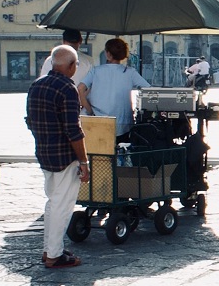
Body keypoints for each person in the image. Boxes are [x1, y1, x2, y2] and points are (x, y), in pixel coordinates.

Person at [26, 46, 88, 268]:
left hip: (44, 151)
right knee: (62, 205)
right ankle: (54, 254)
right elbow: (73, 129)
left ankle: (49, 249)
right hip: (64, 155)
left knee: (52, 202)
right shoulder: (67, 88)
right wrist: (84, 161)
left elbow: (30, 121)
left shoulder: (36, 85)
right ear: (71, 65)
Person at [78, 38, 150, 140]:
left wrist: (89, 110)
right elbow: (148, 89)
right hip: (123, 124)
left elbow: (80, 89)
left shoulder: (96, 71)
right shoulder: (130, 72)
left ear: (108, 54)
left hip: (98, 122)